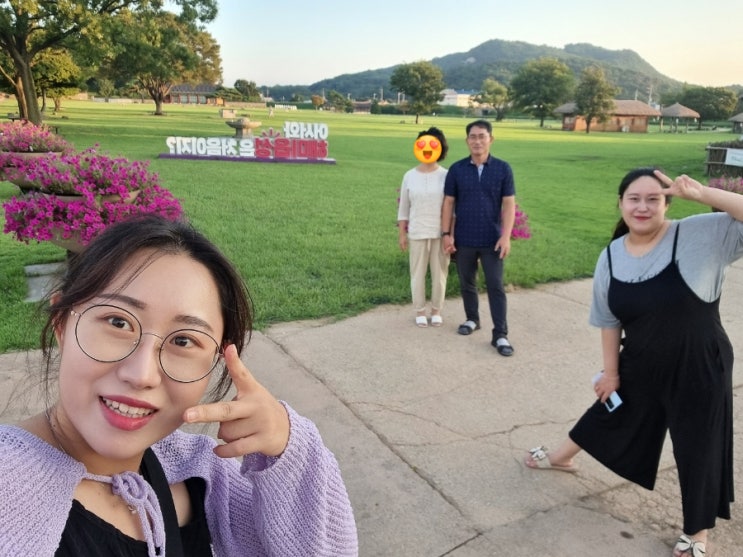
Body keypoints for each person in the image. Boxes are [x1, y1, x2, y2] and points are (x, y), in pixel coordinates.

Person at [0, 215, 358, 556]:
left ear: (216, 360)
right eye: (118, 322)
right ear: (62, 323)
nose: (142, 374)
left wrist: (290, 449)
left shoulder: (203, 474)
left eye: (184, 341)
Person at [524, 168, 743, 557]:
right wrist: (610, 373)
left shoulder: (700, 233)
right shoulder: (611, 255)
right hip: (641, 359)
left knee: (698, 446)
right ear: (621, 203)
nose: (643, 207)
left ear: (667, 203)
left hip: (700, 364)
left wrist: (703, 193)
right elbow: (609, 320)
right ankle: (560, 458)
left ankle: (697, 532)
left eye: (653, 199)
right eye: (634, 199)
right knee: (611, 409)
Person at [441, 119, 516, 356]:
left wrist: (506, 236)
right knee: (467, 282)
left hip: (492, 239)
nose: (477, 141)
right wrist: (446, 234)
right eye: (472, 137)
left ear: (490, 139)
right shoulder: (457, 169)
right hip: (464, 238)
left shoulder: (503, 169)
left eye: (482, 136)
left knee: (495, 285)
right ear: (467, 141)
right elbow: (448, 203)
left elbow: (509, 204)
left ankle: (500, 334)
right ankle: (472, 319)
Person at [397, 126, 450, 327]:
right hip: (417, 232)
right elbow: (404, 208)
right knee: (417, 274)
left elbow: (451, 207)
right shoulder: (409, 175)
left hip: (440, 233)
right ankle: (419, 310)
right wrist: (402, 234)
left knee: (440, 274)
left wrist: (450, 234)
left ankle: (436, 310)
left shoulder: (447, 175)